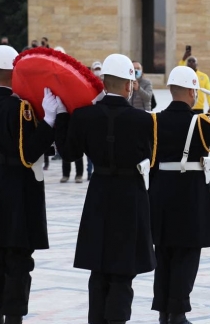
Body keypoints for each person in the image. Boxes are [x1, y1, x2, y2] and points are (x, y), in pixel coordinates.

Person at [54, 54, 156, 324]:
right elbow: (150, 156)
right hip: (130, 196)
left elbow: (68, 152)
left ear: (104, 83)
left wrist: (62, 117)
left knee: (98, 269)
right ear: (129, 85)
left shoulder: (84, 116)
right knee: (123, 272)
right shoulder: (143, 120)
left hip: (98, 193)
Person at [149, 66, 210, 324]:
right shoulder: (200, 122)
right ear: (192, 91)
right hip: (189, 194)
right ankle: (178, 312)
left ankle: (163, 311)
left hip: (160, 194)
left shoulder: (154, 121)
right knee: (186, 256)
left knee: (163, 254)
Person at [0, 45, 56, 324]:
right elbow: (29, 153)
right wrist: (48, 120)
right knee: (18, 259)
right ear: (15, 71)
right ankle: (13, 318)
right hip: (19, 188)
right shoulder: (20, 108)